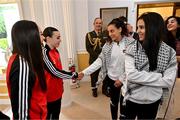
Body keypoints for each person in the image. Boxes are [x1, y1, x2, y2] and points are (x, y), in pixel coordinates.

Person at [123, 12, 177, 119]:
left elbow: (169, 81)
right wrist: (158, 76)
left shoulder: (170, 52)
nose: (138, 31)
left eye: (142, 27)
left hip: (153, 100)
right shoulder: (131, 48)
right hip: (132, 97)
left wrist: (141, 77)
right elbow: (131, 75)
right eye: (138, 27)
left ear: (153, 28)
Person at [79, 18, 133, 119]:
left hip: (126, 81)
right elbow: (100, 61)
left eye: (112, 31)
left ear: (120, 29)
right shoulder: (108, 44)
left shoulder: (131, 43)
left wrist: (121, 79)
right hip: (111, 79)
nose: (109, 34)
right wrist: (84, 72)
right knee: (113, 102)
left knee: (124, 105)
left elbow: (134, 65)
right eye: (108, 31)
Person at [6, 20, 47, 119]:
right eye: (41, 34)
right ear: (30, 37)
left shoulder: (27, 60)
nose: (44, 38)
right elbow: (21, 114)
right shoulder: (21, 65)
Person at [43, 27, 78, 120]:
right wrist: (74, 75)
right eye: (58, 38)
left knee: (56, 115)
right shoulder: (44, 53)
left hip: (58, 90)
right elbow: (55, 72)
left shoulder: (56, 51)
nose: (60, 40)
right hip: (49, 94)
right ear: (48, 38)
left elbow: (59, 69)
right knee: (49, 117)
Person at [85, 17, 106, 97]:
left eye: (100, 23)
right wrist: (98, 57)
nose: (98, 24)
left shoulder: (105, 34)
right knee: (94, 75)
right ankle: (94, 90)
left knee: (104, 74)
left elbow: (107, 46)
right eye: (97, 23)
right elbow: (88, 48)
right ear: (94, 24)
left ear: (102, 25)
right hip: (94, 59)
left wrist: (103, 57)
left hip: (104, 59)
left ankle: (104, 90)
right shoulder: (89, 35)